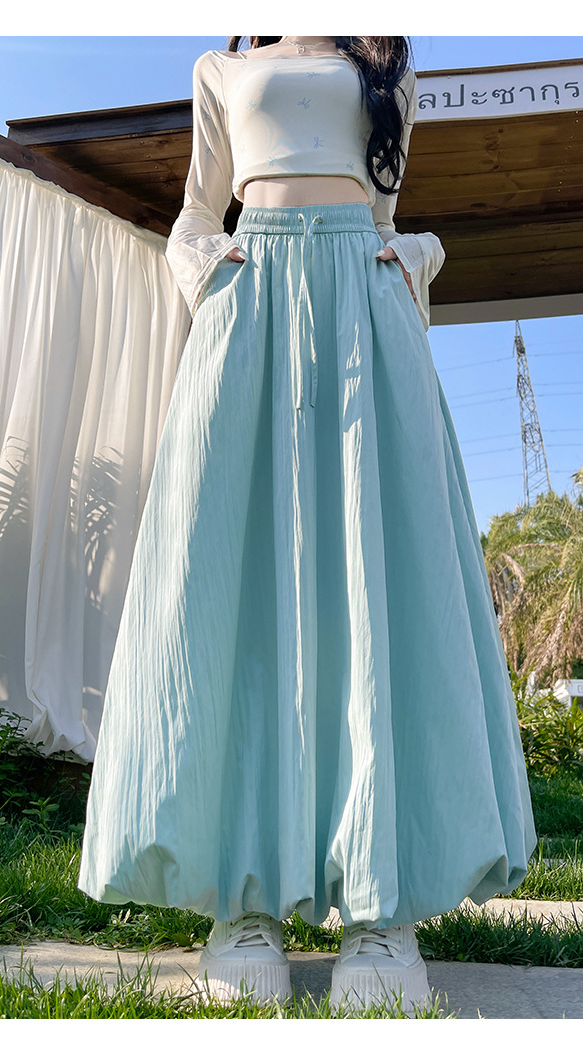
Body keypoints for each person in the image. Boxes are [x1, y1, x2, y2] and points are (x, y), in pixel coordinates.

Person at [78, 35, 537, 1015]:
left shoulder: (389, 72)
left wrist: (409, 258)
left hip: (364, 312)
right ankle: (245, 904)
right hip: (250, 308)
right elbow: (195, 211)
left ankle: (382, 907)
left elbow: (385, 212)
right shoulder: (218, 68)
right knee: (231, 585)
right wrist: (212, 276)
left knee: (379, 587)